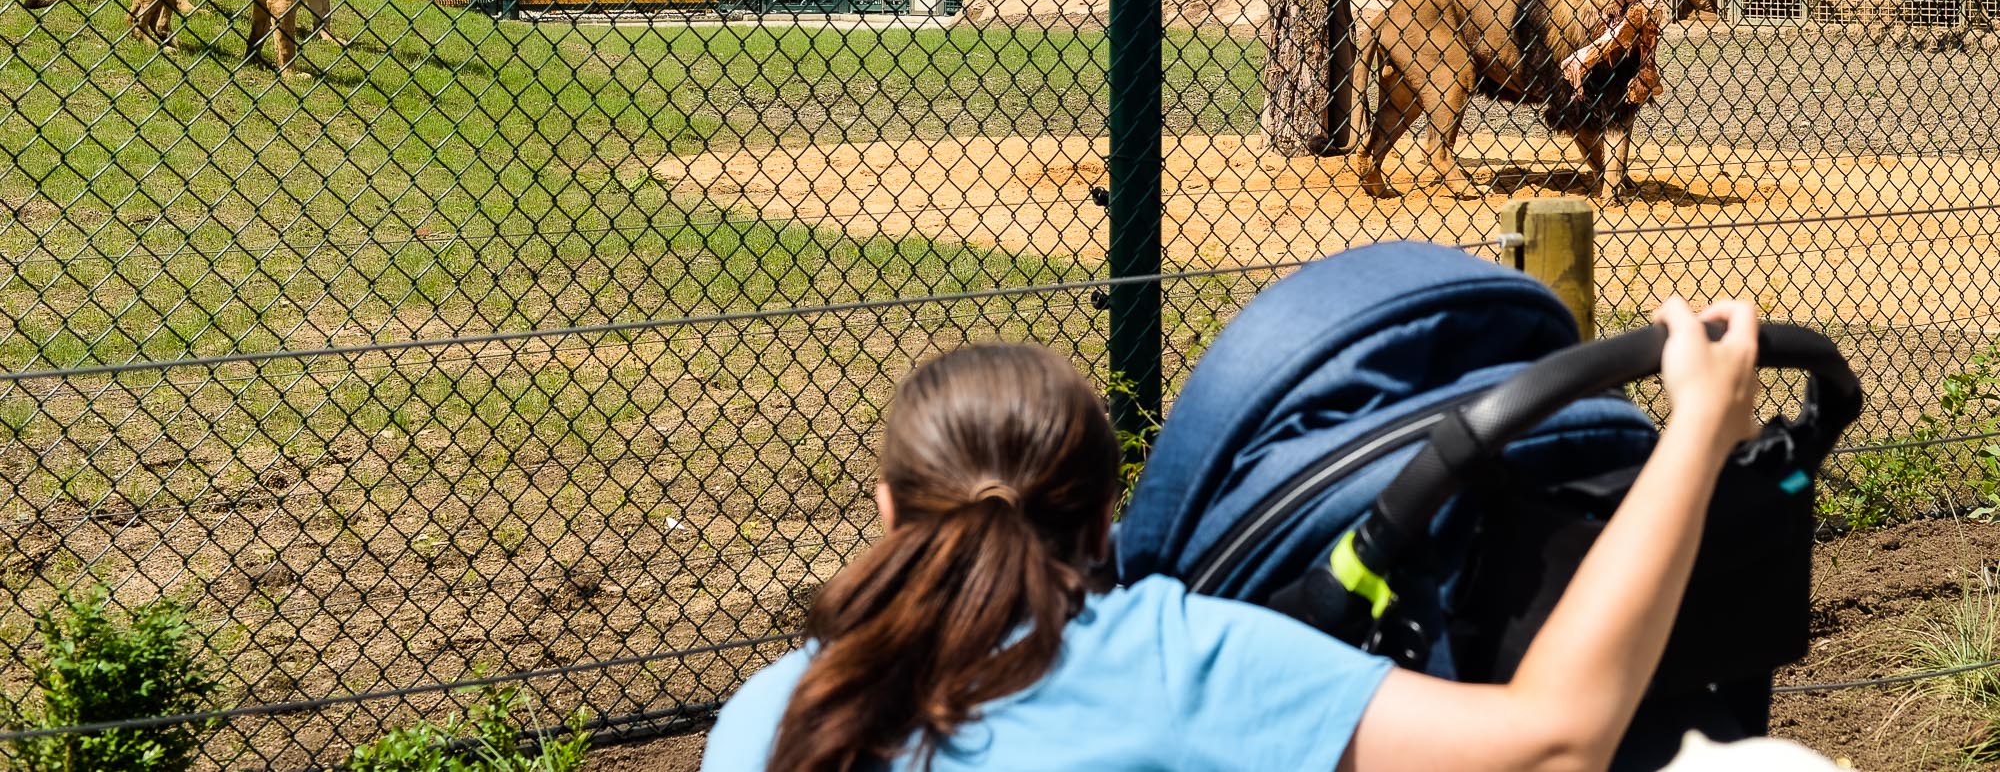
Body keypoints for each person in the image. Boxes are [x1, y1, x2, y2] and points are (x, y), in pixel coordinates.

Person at [701, 297, 1786, 772]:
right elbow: (1551, 743)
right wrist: (1697, 429)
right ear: (1104, 519)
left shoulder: (773, 715)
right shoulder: (1168, 659)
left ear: (888, 512)